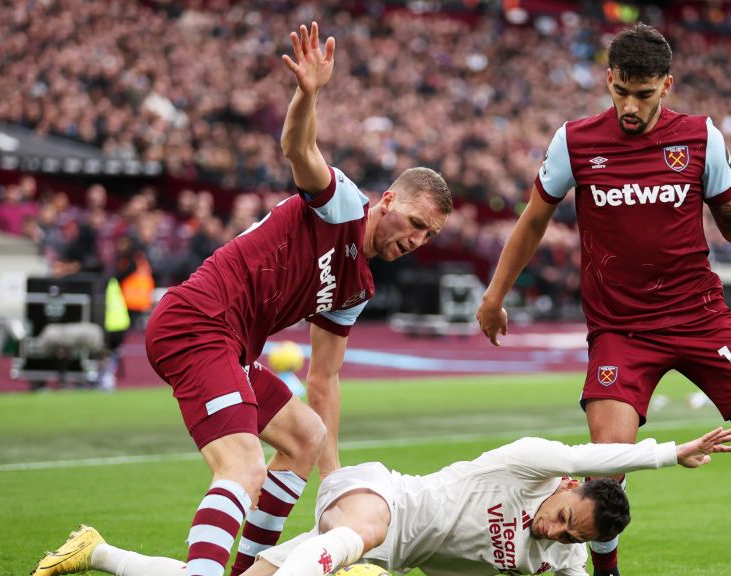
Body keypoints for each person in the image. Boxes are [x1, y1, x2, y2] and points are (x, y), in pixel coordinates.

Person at [39, 23, 451, 576]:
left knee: (305, 435)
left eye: (429, 236)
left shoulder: (358, 287)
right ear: (389, 199)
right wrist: (307, 95)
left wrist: (334, 486)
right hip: (198, 321)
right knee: (243, 465)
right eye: (417, 223)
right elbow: (297, 148)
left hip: (229, 345)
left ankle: (246, 572)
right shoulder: (344, 206)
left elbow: (325, 383)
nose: (417, 240)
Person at [476, 23, 731, 576]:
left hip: (701, 316)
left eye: (644, 95)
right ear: (609, 79)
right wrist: (495, 294)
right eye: (621, 93)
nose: (631, 108)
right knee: (605, 465)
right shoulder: (575, 141)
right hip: (622, 330)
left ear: (668, 85)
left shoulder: (700, 137)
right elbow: (533, 221)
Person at [31, 428, 731, 576]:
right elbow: (593, 456)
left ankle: (97, 550)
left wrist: (558, 553)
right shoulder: (531, 467)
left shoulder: (557, 564)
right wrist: (667, 454)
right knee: (367, 539)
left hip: (371, 551)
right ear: (563, 490)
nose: (549, 530)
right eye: (561, 516)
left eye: (564, 536)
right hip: (381, 500)